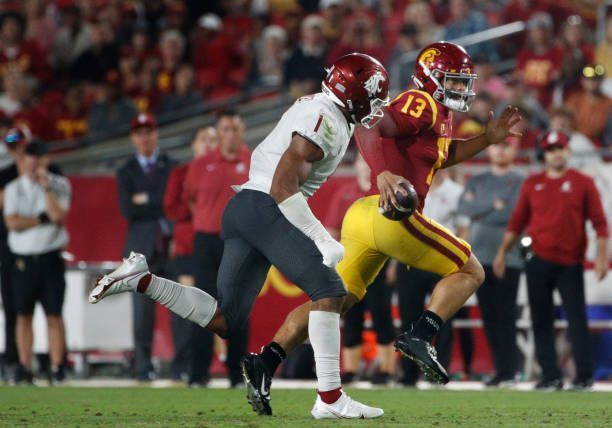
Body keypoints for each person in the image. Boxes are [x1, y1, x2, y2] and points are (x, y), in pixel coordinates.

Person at [90, 53, 390, 419]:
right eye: (373, 96)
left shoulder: (325, 109)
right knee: (330, 291)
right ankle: (330, 399)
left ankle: (143, 280)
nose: (377, 105)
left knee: (227, 320)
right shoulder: (325, 119)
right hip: (265, 205)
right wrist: (322, 239)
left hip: (245, 207)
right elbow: (282, 186)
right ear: (353, 93)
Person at [244, 41, 521, 401]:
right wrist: (385, 173)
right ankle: (421, 334)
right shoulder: (419, 102)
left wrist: (485, 139)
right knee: (471, 271)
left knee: (334, 299)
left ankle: (265, 360)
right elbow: (368, 124)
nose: (459, 89)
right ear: (432, 78)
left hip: (363, 217)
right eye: (452, 82)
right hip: (391, 213)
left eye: (461, 83)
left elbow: (440, 155)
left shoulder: (436, 112)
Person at [493, 130, 609, 391]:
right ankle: (550, 376)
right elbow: (518, 221)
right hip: (537, 259)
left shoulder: (583, 182)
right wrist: (502, 251)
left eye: (560, 148)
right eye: (551, 149)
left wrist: (602, 258)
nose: (556, 153)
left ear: (567, 150)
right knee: (540, 319)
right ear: (543, 155)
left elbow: (600, 224)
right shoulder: (532, 183)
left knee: (577, 319)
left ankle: (584, 376)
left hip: (570, 262)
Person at [183, 111, 251, 388]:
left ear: (242, 131)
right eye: (226, 129)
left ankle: (237, 374)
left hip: (239, 242)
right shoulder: (201, 164)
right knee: (202, 307)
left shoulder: (253, 161)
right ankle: (198, 373)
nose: (231, 134)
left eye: (235, 129)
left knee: (238, 309)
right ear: (219, 133)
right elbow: (190, 200)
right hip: (207, 241)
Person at [457, 140, 524, 386]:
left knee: (506, 315)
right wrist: (493, 206)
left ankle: (510, 370)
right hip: (479, 258)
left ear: (514, 149)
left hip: (509, 257)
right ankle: (501, 370)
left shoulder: (520, 180)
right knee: (489, 316)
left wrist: (481, 211)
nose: (501, 150)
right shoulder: (477, 179)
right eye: (496, 146)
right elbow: (464, 207)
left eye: (506, 146)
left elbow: (513, 213)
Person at [324, 155, 395, 385]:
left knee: (382, 315)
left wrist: (393, 263)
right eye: (362, 162)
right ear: (355, 166)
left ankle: (387, 369)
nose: (366, 167)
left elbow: (398, 235)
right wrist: (334, 262)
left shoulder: (386, 194)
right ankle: (351, 369)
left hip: (379, 264)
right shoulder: (345, 193)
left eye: (370, 162)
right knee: (350, 316)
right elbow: (332, 230)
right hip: (350, 265)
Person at [4, 140, 71, 384]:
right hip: (22, 260)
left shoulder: (60, 185)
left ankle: (56, 367)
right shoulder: (13, 188)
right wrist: (40, 219)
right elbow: (12, 223)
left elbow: (58, 216)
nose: (33, 162)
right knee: (23, 315)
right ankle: (24, 367)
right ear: (23, 160)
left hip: (50, 257)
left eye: (38, 157)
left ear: (46, 160)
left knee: (54, 314)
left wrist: (46, 189)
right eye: (29, 157)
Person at [116, 112, 176, 381]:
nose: (144, 137)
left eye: (148, 131)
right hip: (140, 249)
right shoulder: (125, 170)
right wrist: (158, 200)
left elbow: (172, 203)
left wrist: (147, 200)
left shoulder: (172, 166)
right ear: (132, 137)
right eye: (139, 133)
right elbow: (128, 209)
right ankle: (142, 367)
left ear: (156, 134)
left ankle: (182, 365)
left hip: (171, 244)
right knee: (142, 313)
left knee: (181, 305)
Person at [395, 169, 468, 385]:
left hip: (442, 261)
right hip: (411, 259)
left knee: (442, 317)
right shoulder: (411, 189)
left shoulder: (456, 192)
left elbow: (463, 229)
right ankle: (407, 374)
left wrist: (460, 261)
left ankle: (437, 371)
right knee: (408, 315)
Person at [163, 126, 218, 382]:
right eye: (203, 139)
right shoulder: (182, 172)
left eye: (213, 140)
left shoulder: (222, 170)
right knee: (188, 307)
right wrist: (203, 210)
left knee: (214, 306)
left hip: (215, 246)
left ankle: (209, 363)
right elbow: (172, 208)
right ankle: (183, 362)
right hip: (189, 246)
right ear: (193, 145)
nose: (208, 144)